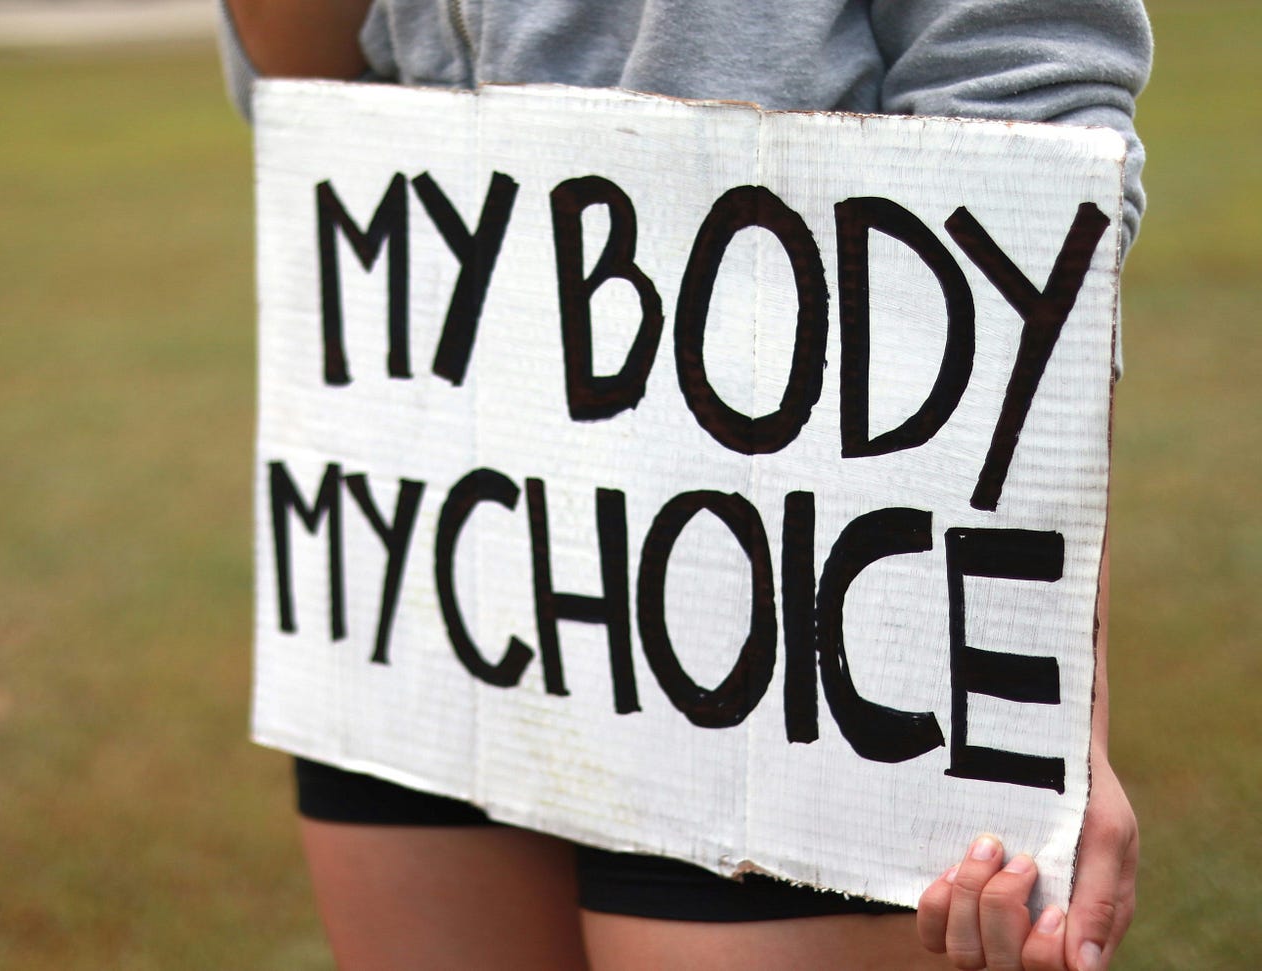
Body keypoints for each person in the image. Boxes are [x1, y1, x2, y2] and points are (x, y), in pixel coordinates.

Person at [217, 3, 1149, 968]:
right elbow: (304, 72)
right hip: (431, 502)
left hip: (786, 583)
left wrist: (1049, 716)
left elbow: (1027, 128)